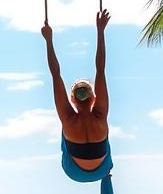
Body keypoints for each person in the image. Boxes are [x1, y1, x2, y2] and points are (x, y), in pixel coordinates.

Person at [42, 10, 111, 171]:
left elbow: (55, 74)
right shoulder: (100, 115)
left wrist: (48, 40)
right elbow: (100, 69)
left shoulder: (68, 118)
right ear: (94, 98)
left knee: (65, 131)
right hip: (103, 167)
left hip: (74, 171)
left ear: (72, 99)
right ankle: (106, 174)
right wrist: (100, 31)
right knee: (105, 140)